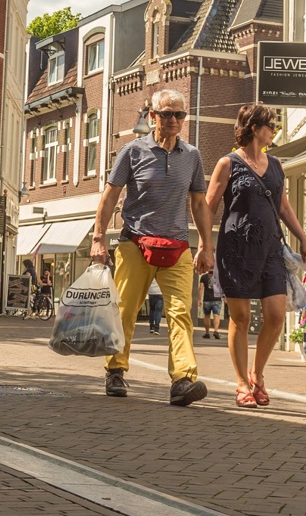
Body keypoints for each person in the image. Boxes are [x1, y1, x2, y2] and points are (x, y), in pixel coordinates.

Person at [91, 88, 214, 406]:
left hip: (177, 247)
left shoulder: (192, 156)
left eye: (179, 115)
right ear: (153, 116)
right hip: (135, 243)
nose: (173, 120)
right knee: (124, 311)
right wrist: (98, 238)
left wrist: (206, 246)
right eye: (167, 114)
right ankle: (115, 370)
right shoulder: (131, 151)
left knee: (181, 314)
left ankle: (183, 381)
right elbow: (109, 197)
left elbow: (199, 203)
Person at [205, 104, 306, 408]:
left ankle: (257, 374)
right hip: (236, 251)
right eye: (271, 125)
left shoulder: (276, 165)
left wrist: (303, 238)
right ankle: (241, 384)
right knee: (239, 318)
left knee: (276, 317)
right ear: (254, 127)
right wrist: (204, 244)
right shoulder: (228, 164)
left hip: (270, 251)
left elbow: (284, 207)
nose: (274, 131)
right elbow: (208, 207)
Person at [198, 267, 222, 339]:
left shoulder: (204, 277)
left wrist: (199, 299)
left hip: (207, 299)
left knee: (207, 316)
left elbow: (201, 288)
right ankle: (216, 331)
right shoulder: (219, 277)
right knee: (216, 315)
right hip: (217, 299)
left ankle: (207, 333)